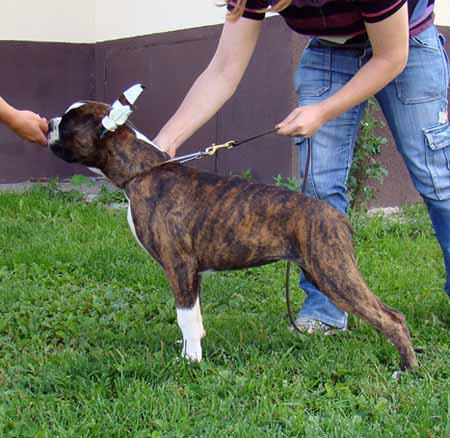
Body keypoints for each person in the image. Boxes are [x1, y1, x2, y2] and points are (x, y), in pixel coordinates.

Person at [153, 0, 449, 334]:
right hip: (330, 49)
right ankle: (326, 310)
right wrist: (165, 141)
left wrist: (323, 111)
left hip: (406, 41)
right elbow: (223, 69)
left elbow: (390, 57)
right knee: (319, 185)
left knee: (437, 178)